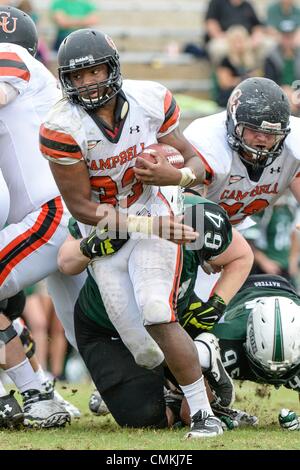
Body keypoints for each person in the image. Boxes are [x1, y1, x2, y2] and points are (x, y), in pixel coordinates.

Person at [40, 26, 230, 439]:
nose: (89, 82)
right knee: (142, 349)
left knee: (156, 310)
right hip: (108, 228)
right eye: (78, 76)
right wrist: (146, 225)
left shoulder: (149, 100)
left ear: (113, 68)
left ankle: (202, 413)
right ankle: (201, 358)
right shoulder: (62, 127)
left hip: (152, 206)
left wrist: (174, 176)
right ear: (66, 80)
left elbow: (197, 163)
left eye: (96, 71)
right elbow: (81, 207)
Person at [57, 190, 253, 431]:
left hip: (170, 322)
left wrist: (216, 304)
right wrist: (90, 246)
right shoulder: (118, 213)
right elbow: (65, 262)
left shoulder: (197, 216)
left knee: (204, 405)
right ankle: (179, 381)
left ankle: (200, 369)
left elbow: (241, 255)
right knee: (144, 419)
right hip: (106, 329)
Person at [0, 6, 85, 427]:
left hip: (49, 212)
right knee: (85, 328)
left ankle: (33, 394)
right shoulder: (37, 79)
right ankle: (41, 389)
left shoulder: (14, 61)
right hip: (58, 212)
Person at [183, 76, 300, 300]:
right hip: (191, 232)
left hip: (235, 232)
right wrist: (206, 248)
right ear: (233, 123)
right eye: (254, 130)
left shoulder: (293, 145)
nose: (262, 140)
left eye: (271, 133)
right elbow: (190, 207)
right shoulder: (207, 140)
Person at [200, 273, 300, 431]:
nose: (273, 377)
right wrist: (211, 409)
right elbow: (185, 366)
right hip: (240, 289)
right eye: (263, 366)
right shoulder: (223, 338)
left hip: (286, 289)